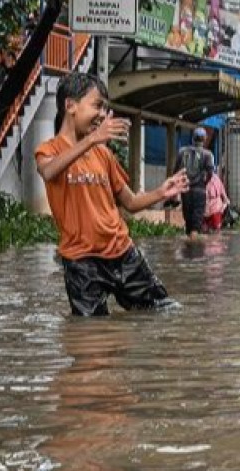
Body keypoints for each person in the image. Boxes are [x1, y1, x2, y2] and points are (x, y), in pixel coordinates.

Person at [35, 73, 187, 316]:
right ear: (70, 105)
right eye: (97, 106)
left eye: (105, 108)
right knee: (90, 329)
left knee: (163, 311)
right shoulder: (48, 150)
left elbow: (130, 202)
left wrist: (161, 192)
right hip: (81, 262)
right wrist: (93, 139)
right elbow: (49, 171)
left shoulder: (103, 154)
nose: (103, 114)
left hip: (123, 253)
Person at [174, 127, 215, 239]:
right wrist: (204, 183)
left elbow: (176, 172)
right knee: (196, 225)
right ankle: (194, 247)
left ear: (193, 138)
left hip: (185, 191)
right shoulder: (207, 154)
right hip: (199, 191)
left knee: (188, 222)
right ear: (204, 139)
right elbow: (210, 173)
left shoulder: (182, 151)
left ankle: (188, 246)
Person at [205, 164, 231, 232]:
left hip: (215, 206)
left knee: (215, 227)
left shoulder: (215, 178)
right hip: (207, 207)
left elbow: (222, 189)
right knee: (208, 228)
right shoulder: (203, 179)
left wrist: (226, 200)